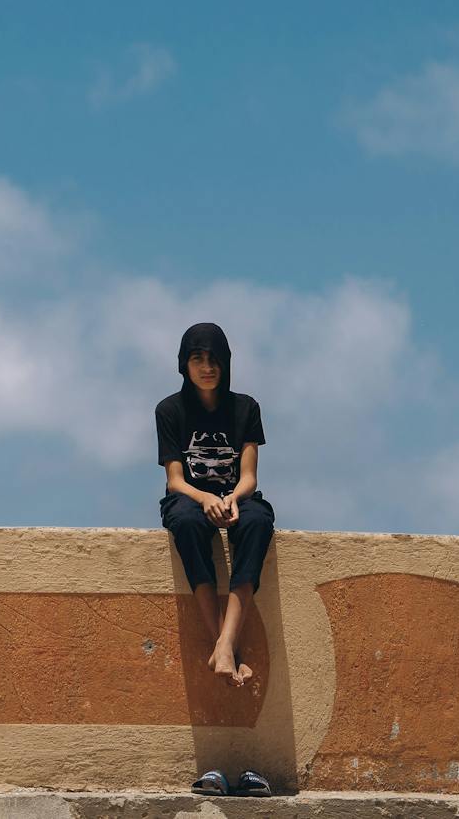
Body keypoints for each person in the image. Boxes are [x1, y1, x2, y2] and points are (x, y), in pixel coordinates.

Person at [155, 322, 277, 796]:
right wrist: (205, 497)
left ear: (225, 362)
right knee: (186, 522)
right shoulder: (170, 410)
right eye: (196, 359)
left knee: (256, 523)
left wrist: (231, 498)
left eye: (213, 359)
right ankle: (225, 647)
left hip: (237, 496)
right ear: (184, 364)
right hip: (190, 497)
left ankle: (223, 647)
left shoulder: (245, 407)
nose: (206, 368)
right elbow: (174, 481)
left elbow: (248, 475)